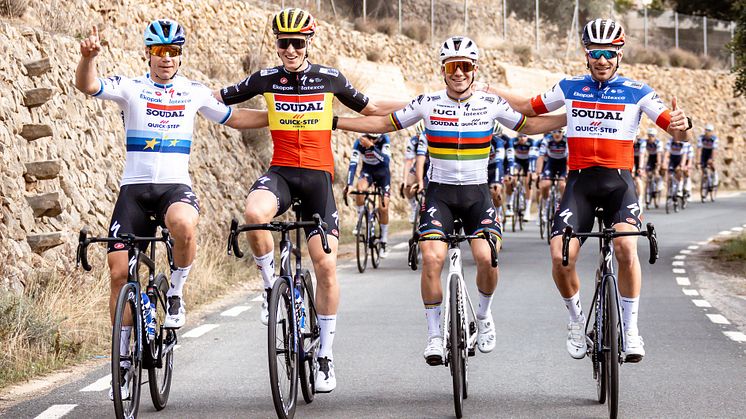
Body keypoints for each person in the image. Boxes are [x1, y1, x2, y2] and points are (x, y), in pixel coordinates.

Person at [334, 36, 566, 365]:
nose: (459, 73)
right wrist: (334, 122)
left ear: (474, 70)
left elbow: (530, 126)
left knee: (487, 259)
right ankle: (433, 335)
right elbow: (383, 123)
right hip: (439, 195)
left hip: (477, 195)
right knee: (431, 259)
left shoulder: (491, 104)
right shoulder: (427, 103)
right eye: (452, 67)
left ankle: (483, 317)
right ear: (443, 70)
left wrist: (573, 116)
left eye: (465, 66)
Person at [213, 8, 405, 393]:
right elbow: (219, 98)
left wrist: (417, 105)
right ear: (276, 43)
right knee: (254, 214)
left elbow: (369, 109)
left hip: (318, 179)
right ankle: (271, 287)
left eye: (297, 42)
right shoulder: (267, 78)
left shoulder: (329, 78)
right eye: (283, 42)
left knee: (325, 265)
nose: (289, 49)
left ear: (308, 43)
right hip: (281, 172)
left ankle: (326, 355)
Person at [74, 20, 267, 400]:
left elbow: (234, 119)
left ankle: (175, 291)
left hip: (174, 189)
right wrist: (87, 58)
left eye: (173, 51)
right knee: (117, 274)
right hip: (133, 192)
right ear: (148, 53)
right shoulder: (131, 88)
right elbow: (88, 86)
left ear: (181, 55)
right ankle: (125, 361)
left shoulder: (192, 91)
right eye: (160, 51)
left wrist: (283, 120)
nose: (167, 59)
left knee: (184, 223)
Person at [484, 19, 691, 363]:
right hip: (579, 183)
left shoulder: (637, 90)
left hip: (618, 184)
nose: (602, 60)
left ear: (619, 54)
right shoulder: (569, 87)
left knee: (626, 248)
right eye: (596, 53)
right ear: (586, 54)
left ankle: (631, 330)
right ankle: (577, 321)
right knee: (559, 257)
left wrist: (683, 127)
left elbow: (676, 132)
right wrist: (491, 90)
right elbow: (527, 108)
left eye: (609, 53)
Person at [345, 133, 392, 257]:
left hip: (383, 174)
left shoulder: (384, 139)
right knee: (359, 189)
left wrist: (371, 147)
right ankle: (361, 219)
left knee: (384, 207)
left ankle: (384, 241)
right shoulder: (359, 141)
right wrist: (349, 184)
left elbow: (386, 161)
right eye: (369, 137)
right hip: (367, 172)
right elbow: (353, 163)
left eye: (374, 138)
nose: (371, 140)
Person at [536, 128, 568, 223]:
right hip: (551, 163)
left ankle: (562, 207)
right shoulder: (547, 139)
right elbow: (541, 157)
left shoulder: (567, 140)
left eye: (559, 132)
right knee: (545, 184)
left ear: (563, 133)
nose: (557, 134)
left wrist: (568, 173)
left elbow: (570, 158)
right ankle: (545, 208)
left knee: (562, 185)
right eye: (554, 132)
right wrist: (537, 173)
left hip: (563, 163)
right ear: (551, 133)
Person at [505, 133, 539, 220]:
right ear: (517, 136)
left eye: (524, 136)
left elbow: (532, 159)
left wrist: (532, 172)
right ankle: (510, 205)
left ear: (527, 137)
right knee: (512, 178)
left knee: (528, 182)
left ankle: (527, 210)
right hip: (517, 162)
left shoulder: (532, 142)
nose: (522, 138)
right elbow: (511, 158)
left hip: (528, 162)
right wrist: (511, 173)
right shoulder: (512, 142)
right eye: (520, 136)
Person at [402, 124, 429, 222]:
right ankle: (414, 206)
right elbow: (409, 161)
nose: (420, 138)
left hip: (431, 165)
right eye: (418, 135)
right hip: (418, 165)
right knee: (408, 184)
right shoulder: (414, 141)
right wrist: (404, 180)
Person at [488, 124, 513, 217]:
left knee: (495, 190)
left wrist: (509, 173)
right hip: (484, 168)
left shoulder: (501, 142)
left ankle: (498, 215)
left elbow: (500, 162)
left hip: (497, 167)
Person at [663, 134, 692, 202]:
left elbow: (684, 156)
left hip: (681, 158)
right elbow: (667, 153)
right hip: (673, 159)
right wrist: (664, 163)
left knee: (680, 172)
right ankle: (670, 191)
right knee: (669, 175)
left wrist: (681, 165)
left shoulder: (684, 143)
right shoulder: (670, 141)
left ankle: (681, 189)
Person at [644, 127, 665, 206]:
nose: (650, 137)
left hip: (658, 158)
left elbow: (659, 156)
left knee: (657, 174)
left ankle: (659, 184)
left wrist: (657, 168)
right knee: (648, 175)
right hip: (651, 158)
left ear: (655, 136)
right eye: (649, 136)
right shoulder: (645, 142)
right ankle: (649, 191)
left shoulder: (658, 143)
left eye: (652, 136)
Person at [697, 123, 719, 188]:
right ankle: (705, 180)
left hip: (711, 152)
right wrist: (697, 160)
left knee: (712, 164)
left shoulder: (715, 138)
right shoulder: (701, 137)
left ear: (712, 132)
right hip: (704, 152)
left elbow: (714, 150)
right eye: (706, 130)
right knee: (703, 166)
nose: (707, 132)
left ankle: (715, 174)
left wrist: (712, 159)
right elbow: (699, 149)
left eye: (709, 131)